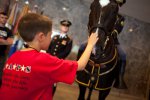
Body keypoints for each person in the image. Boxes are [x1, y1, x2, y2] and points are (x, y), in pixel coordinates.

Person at [0, 13, 99, 100]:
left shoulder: (13, 57)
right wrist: (90, 44)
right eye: (50, 35)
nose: (51, 38)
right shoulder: (44, 60)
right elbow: (80, 65)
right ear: (41, 37)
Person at [47, 20, 72, 95]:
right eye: (63, 26)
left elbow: (66, 52)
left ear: (68, 28)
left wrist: (56, 58)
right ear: (61, 26)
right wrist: (48, 57)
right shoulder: (55, 37)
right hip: (49, 61)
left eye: (67, 26)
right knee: (45, 78)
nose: (65, 27)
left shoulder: (69, 40)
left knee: (54, 81)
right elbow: (49, 47)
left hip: (58, 63)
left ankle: (50, 95)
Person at [0, 11, 13, 86]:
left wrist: (2, 41)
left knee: (0, 73)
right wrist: (4, 41)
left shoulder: (8, 31)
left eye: (5, 18)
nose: (4, 19)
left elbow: (10, 42)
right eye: (2, 17)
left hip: (2, 55)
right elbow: (7, 41)